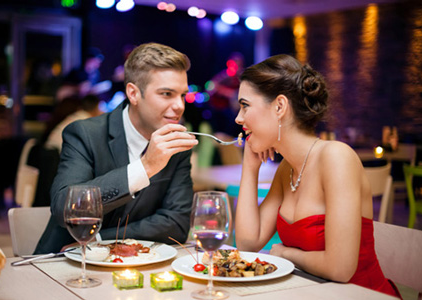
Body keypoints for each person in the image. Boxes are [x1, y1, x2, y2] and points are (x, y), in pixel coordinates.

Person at [234, 54, 401, 298]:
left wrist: (284, 253)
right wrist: (250, 169)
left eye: (245, 105)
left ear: (280, 107)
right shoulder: (287, 169)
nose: (238, 118)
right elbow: (248, 244)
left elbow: (340, 269)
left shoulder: (336, 157)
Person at [34, 42, 198, 254]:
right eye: (167, 94)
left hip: (141, 266)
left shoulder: (177, 145)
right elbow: (65, 208)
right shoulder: (85, 134)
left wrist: (101, 239)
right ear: (133, 94)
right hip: (65, 263)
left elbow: (176, 223)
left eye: (182, 95)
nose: (180, 106)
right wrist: (145, 167)